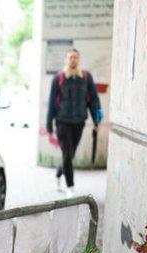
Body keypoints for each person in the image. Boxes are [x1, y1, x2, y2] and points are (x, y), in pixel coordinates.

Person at [46, 48, 103, 197]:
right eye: (70, 57)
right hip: (62, 122)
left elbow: (93, 100)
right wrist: (49, 126)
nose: (73, 60)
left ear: (78, 60)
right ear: (66, 60)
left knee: (69, 155)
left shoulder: (86, 77)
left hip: (79, 122)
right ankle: (70, 187)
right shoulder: (58, 78)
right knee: (67, 154)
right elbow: (52, 102)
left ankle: (59, 172)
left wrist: (96, 120)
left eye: (75, 57)